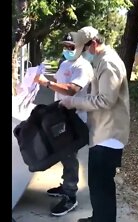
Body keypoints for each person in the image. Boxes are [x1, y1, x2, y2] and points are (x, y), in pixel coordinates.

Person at [59, 26, 130, 222]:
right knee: (97, 184)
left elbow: (106, 100)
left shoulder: (108, 63)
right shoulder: (101, 61)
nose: (82, 53)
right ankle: (98, 217)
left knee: (102, 185)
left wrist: (73, 102)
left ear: (94, 43)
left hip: (109, 134)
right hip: (101, 131)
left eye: (84, 48)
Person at [34, 32, 94, 216]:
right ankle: (65, 185)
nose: (67, 49)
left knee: (69, 155)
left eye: (71, 47)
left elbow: (71, 90)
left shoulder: (83, 67)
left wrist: (46, 83)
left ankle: (70, 195)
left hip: (74, 118)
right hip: (61, 114)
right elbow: (60, 85)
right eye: (65, 46)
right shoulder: (65, 64)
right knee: (61, 152)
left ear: (82, 47)